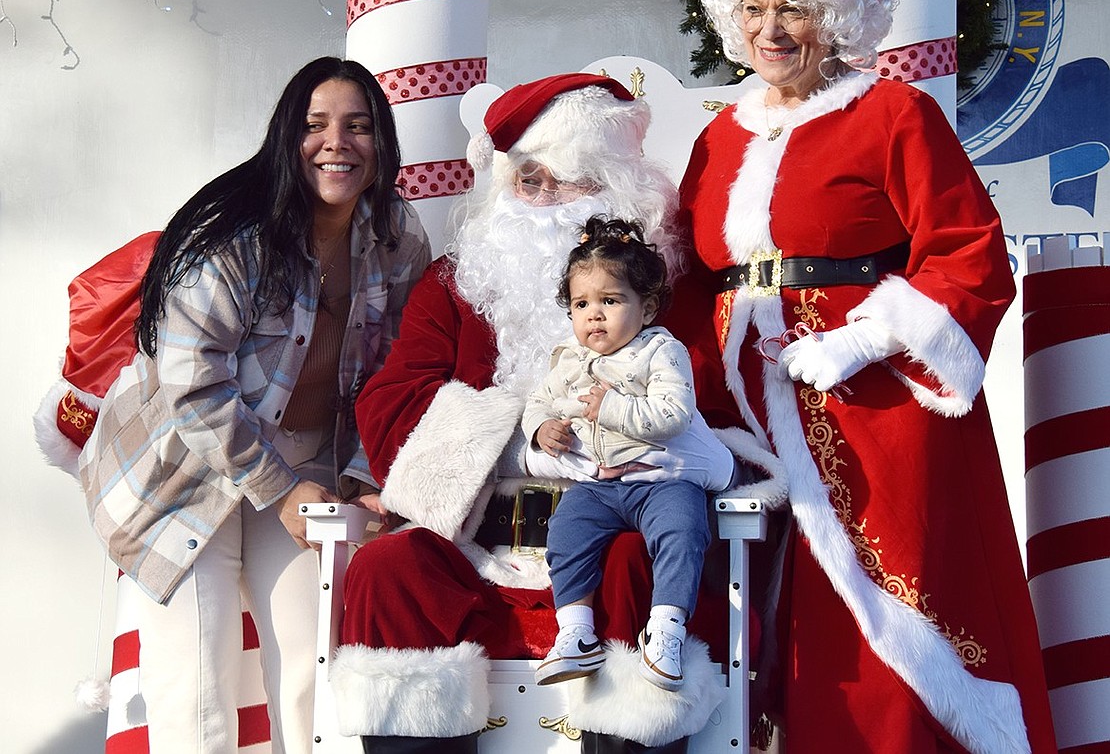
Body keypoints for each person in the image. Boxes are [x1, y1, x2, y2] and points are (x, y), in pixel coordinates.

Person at [675, 0, 1057, 754]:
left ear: (836, 15)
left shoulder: (894, 114)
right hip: (742, 413)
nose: (772, 30)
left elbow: (969, 252)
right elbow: (686, 277)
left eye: (795, 9)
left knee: (887, 619)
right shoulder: (719, 137)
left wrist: (864, 338)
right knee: (757, 613)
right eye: (756, 9)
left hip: (873, 410)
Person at [331, 73, 782, 754]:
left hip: (616, 538)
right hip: (480, 545)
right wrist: (521, 447)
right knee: (386, 569)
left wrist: (639, 446)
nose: (540, 203)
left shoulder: (669, 297)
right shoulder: (458, 286)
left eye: (563, 183)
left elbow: (720, 418)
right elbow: (392, 403)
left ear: (613, 189)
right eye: (526, 181)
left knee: (640, 562)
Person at [77, 56, 431, 753]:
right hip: (182, 469)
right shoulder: (235, 237)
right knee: (198, 684)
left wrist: (363, 476)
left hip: (304, 459)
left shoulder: (397, 235)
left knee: (313, 668)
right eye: (317, 126)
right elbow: (192, 384)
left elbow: (398, 368)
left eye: (358, 126)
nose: (338, 143)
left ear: (382, 142)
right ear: (285, 138)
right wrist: (279, 490)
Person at [523, 215, 737, 692]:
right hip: (599, 486)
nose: (594, 314)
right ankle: (576, 633)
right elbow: (537, 402)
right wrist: (541, 429)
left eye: (611, 300)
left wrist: (613, 407)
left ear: (647, 308)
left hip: (659, 480)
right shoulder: (570, 361)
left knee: (683, 530)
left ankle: (666, 630)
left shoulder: (660, 350)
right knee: (565, 531)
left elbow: (674, 412)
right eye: (582, 304)